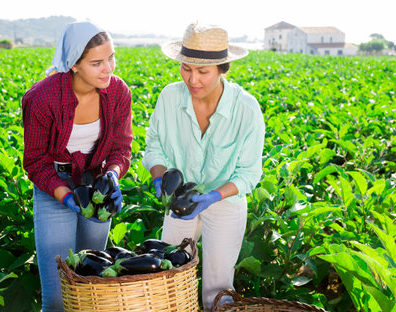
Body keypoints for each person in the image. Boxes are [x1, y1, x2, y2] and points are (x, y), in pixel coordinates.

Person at [142, 22, 265, 311]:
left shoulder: (246, 109)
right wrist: (159, 178)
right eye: (186, 68)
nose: (192, 79)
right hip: (179, 197)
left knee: (218, 286)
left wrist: (212, 196)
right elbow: (154, 145)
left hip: (224, 203)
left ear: (222, 68)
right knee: (167, 273)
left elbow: (249, 173)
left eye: (202, 72)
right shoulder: (169, 98)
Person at [22, 21, 132, 311]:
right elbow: (35, 161)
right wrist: (66, 196)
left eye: (111, 58)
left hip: (97, 184)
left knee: (91, 282)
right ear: (74, 64)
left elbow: (121, 148)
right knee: (58, 293)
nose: (108, 68)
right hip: (53, 183)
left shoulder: (119, 92)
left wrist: (112, 176)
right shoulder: (41, 98)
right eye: (97, 63)